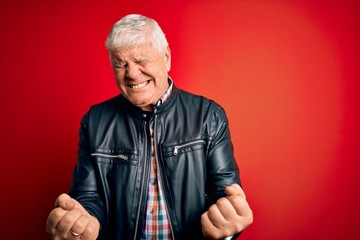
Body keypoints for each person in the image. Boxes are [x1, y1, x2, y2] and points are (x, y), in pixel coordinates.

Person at [46, 14, 253, 240]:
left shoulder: (208, 115)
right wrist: (82, 223)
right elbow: (88, 197)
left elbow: (224, 197)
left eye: (141, 60)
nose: (132, 74)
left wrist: (227, 229)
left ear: (166, 58)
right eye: (120, 64)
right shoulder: (94, 120)